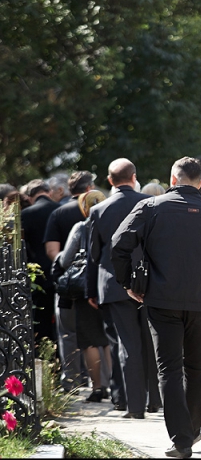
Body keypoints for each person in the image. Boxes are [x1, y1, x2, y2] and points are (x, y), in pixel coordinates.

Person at [111, 157, 201, 459]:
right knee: (197, 368)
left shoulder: (152, 207)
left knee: (170, 370)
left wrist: (128, 283)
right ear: (200, 182)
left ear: (172, 179)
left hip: (162, 298)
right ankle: (192, 428)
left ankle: (182, 439)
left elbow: (119, 242)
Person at [87, 158, 161, 417]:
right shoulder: (150, 205)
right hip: (149, 283)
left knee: (126, 345)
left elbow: (93, 255)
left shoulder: (99, 210)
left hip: (114, 285)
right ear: (134, 176)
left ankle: (134, 405)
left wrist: (91, 290)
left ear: (109, 180)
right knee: (151, 342)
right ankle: (155, 400)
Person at [56, 190, 111, 403]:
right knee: (108, 340)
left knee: (89, 341)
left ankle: (98, 388)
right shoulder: (111, 224)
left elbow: (65, 260)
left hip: (85, 289)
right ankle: (114, 385)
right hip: (107, 285)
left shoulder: (80, 227)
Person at [44, 170, 95, 393]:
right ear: (88, 189)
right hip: (95, 282)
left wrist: (72, 268)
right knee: (97, 334)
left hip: (69, 285)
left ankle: (72, 380)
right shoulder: (101, 212)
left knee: (68, 332)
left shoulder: (58, 213)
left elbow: (53, 251)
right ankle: (101, 381)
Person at [20, 180, 60, 347]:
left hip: (38, 274)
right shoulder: (59, 210)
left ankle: (45, 352)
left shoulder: (26, 214)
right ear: (49, 192)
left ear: (29, 197)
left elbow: (23, 248)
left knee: (41, 319)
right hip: (61, 270)